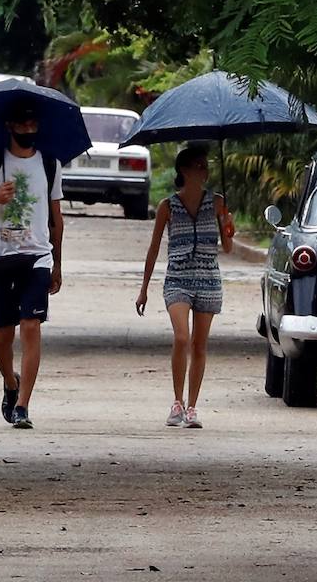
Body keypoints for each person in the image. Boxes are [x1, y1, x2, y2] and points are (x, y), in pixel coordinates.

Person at [0, 99, 64, 430]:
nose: (27, 129)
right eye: (21, 124)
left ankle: (23, 405)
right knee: (0, 338)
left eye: (32, 124)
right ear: (9, 126)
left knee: (31, 327)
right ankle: (10, 382)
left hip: (38, 256)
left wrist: (58, 264)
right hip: (2, 257)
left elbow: (57, 219)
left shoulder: (50, 164)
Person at [135, 146, 234, 429]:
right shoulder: (168, 206)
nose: (205, 171)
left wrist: (228, 227)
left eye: (206, 166)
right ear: (185, 171)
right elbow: (154, 247)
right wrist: (144, 288)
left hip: (208, 277)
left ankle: (192, 407)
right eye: (199, 166)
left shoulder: (217, 203)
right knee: (181, 337)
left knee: (199, 345)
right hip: (178, 277)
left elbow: (226, 248)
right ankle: (177, 402)